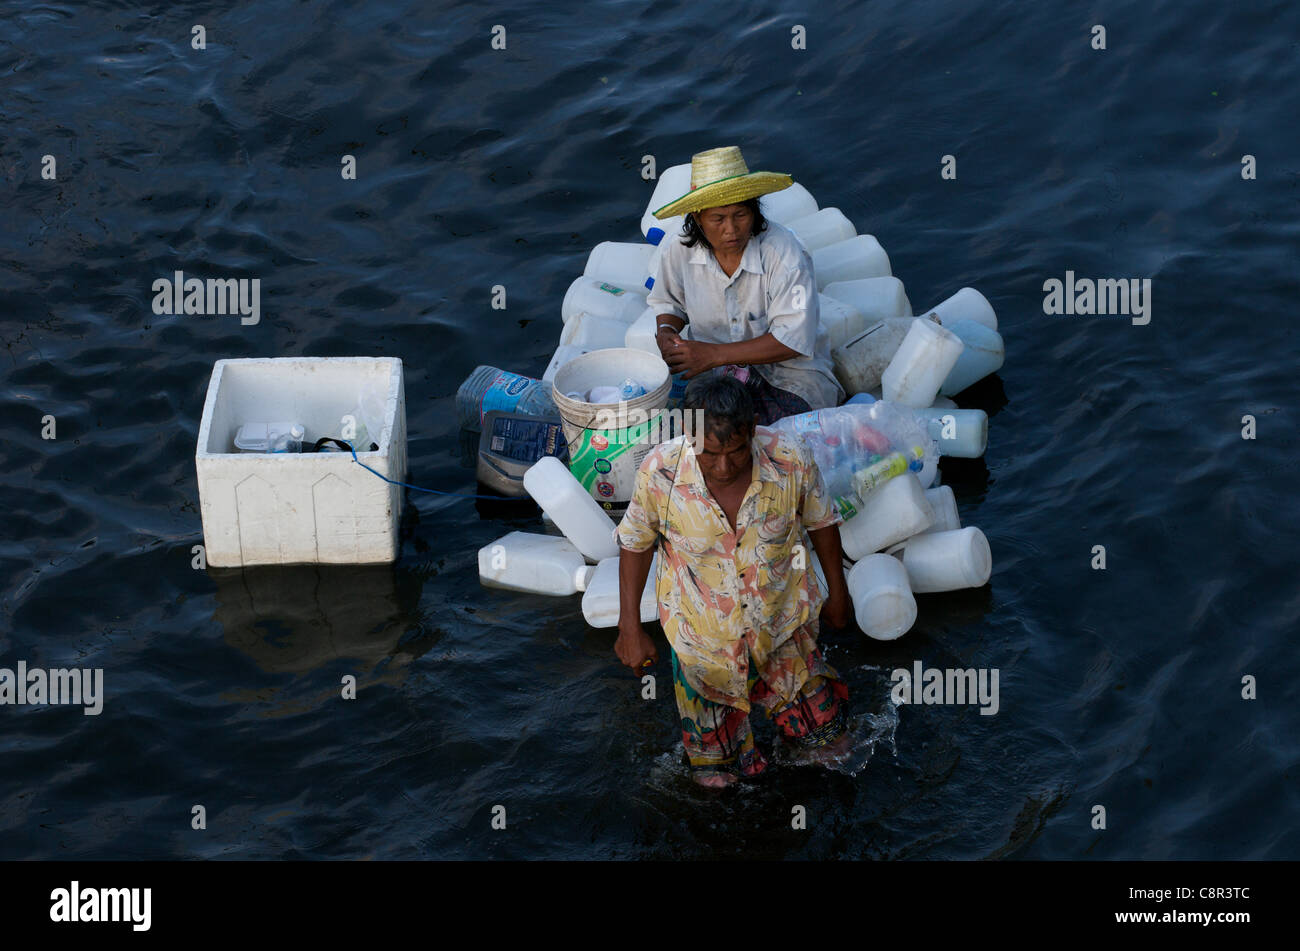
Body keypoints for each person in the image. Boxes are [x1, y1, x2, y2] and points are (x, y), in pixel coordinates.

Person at [613, 375, 853, 787]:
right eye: (710, 454)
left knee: (832, 752)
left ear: (753, 429)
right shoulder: (660, 473)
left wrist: (838, 593)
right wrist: (629, 627)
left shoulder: (790, 460)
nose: (723, 467)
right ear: (689, 434)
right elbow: (635, 543)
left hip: (784, 630)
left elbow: (821, 522)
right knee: (718, 785)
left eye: (736, 451)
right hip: (704, 648)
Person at [647, 145, 844, 426]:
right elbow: (669, 304)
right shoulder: (679, 250)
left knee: (786, 437)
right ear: (698, 219)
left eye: (740, 215)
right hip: (713, 372)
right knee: (708, 436)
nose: (731, 229)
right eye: (718, 219)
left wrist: (713, 354)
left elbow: (793, 339)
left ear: (755, 211)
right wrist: (666, 332)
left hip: (788, 374)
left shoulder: (784, 252)